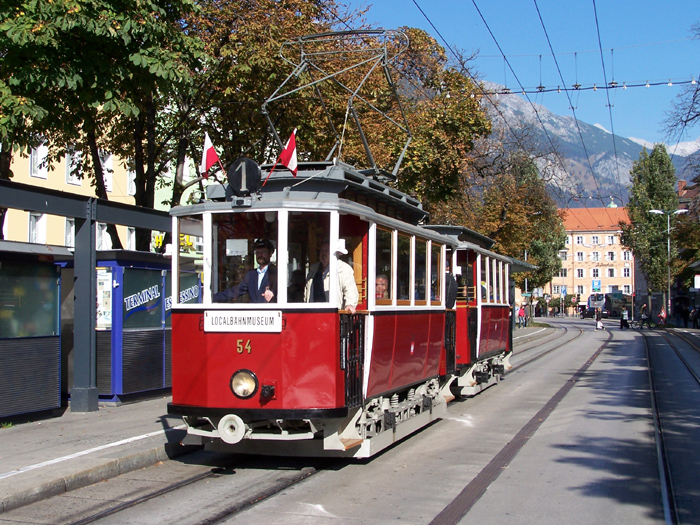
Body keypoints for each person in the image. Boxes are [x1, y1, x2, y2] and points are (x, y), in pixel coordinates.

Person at [305, 240, 358, 314]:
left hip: (331, 314)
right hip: (312, 313)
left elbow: (350, 289)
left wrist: (350, 305)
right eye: (322, 251)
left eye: (327, 250)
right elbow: (307, 291)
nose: (324, 253)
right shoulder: (313, 269)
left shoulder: (343, 268)